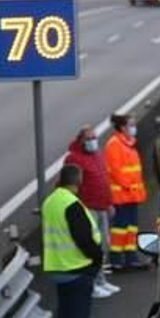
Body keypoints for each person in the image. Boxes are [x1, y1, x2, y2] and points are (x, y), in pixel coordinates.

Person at [41, 164, 106, 318]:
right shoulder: (72, 204)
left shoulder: (50, 201)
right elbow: (84, 239)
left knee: (65, 315)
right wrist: (97, 258)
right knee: (78, 316)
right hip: (76, 268)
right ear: (78, 182)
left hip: (57, 268)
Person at [62, 128, 117, 299]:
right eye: (89, 138)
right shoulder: (74, 159)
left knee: (104, 246)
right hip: (88, 209)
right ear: (81, 140)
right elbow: (71, 185)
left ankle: (101, 280)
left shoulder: (96, 156)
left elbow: (104, 181)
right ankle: (91, 283)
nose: (93, 141)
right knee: (91, 248)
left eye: (94, 137)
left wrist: (109, 203)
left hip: (102, 207)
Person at [103, 113, 149, 270]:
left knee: (131, 228)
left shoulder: (127, 144)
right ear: (122, 127)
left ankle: (131, 258)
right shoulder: (114, 145)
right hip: (122, 196)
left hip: (131, 195)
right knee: (120, 228)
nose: (134, 128)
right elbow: (116, 172)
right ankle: (116, 260)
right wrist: (131, 187)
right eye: (131, 125)